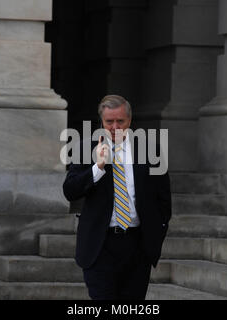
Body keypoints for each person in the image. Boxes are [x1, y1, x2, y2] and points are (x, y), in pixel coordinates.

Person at [62, 94, 171, 300]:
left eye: (120, 121)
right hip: (100, 246)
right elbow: (70, 191)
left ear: (129, 120)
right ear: (101, 122)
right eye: (109, 121)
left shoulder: (150, 150)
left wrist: (154, 238)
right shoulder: (87, 147)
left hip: (137, 246)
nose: (115, 127)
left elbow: (163, 199)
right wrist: (98, 167)